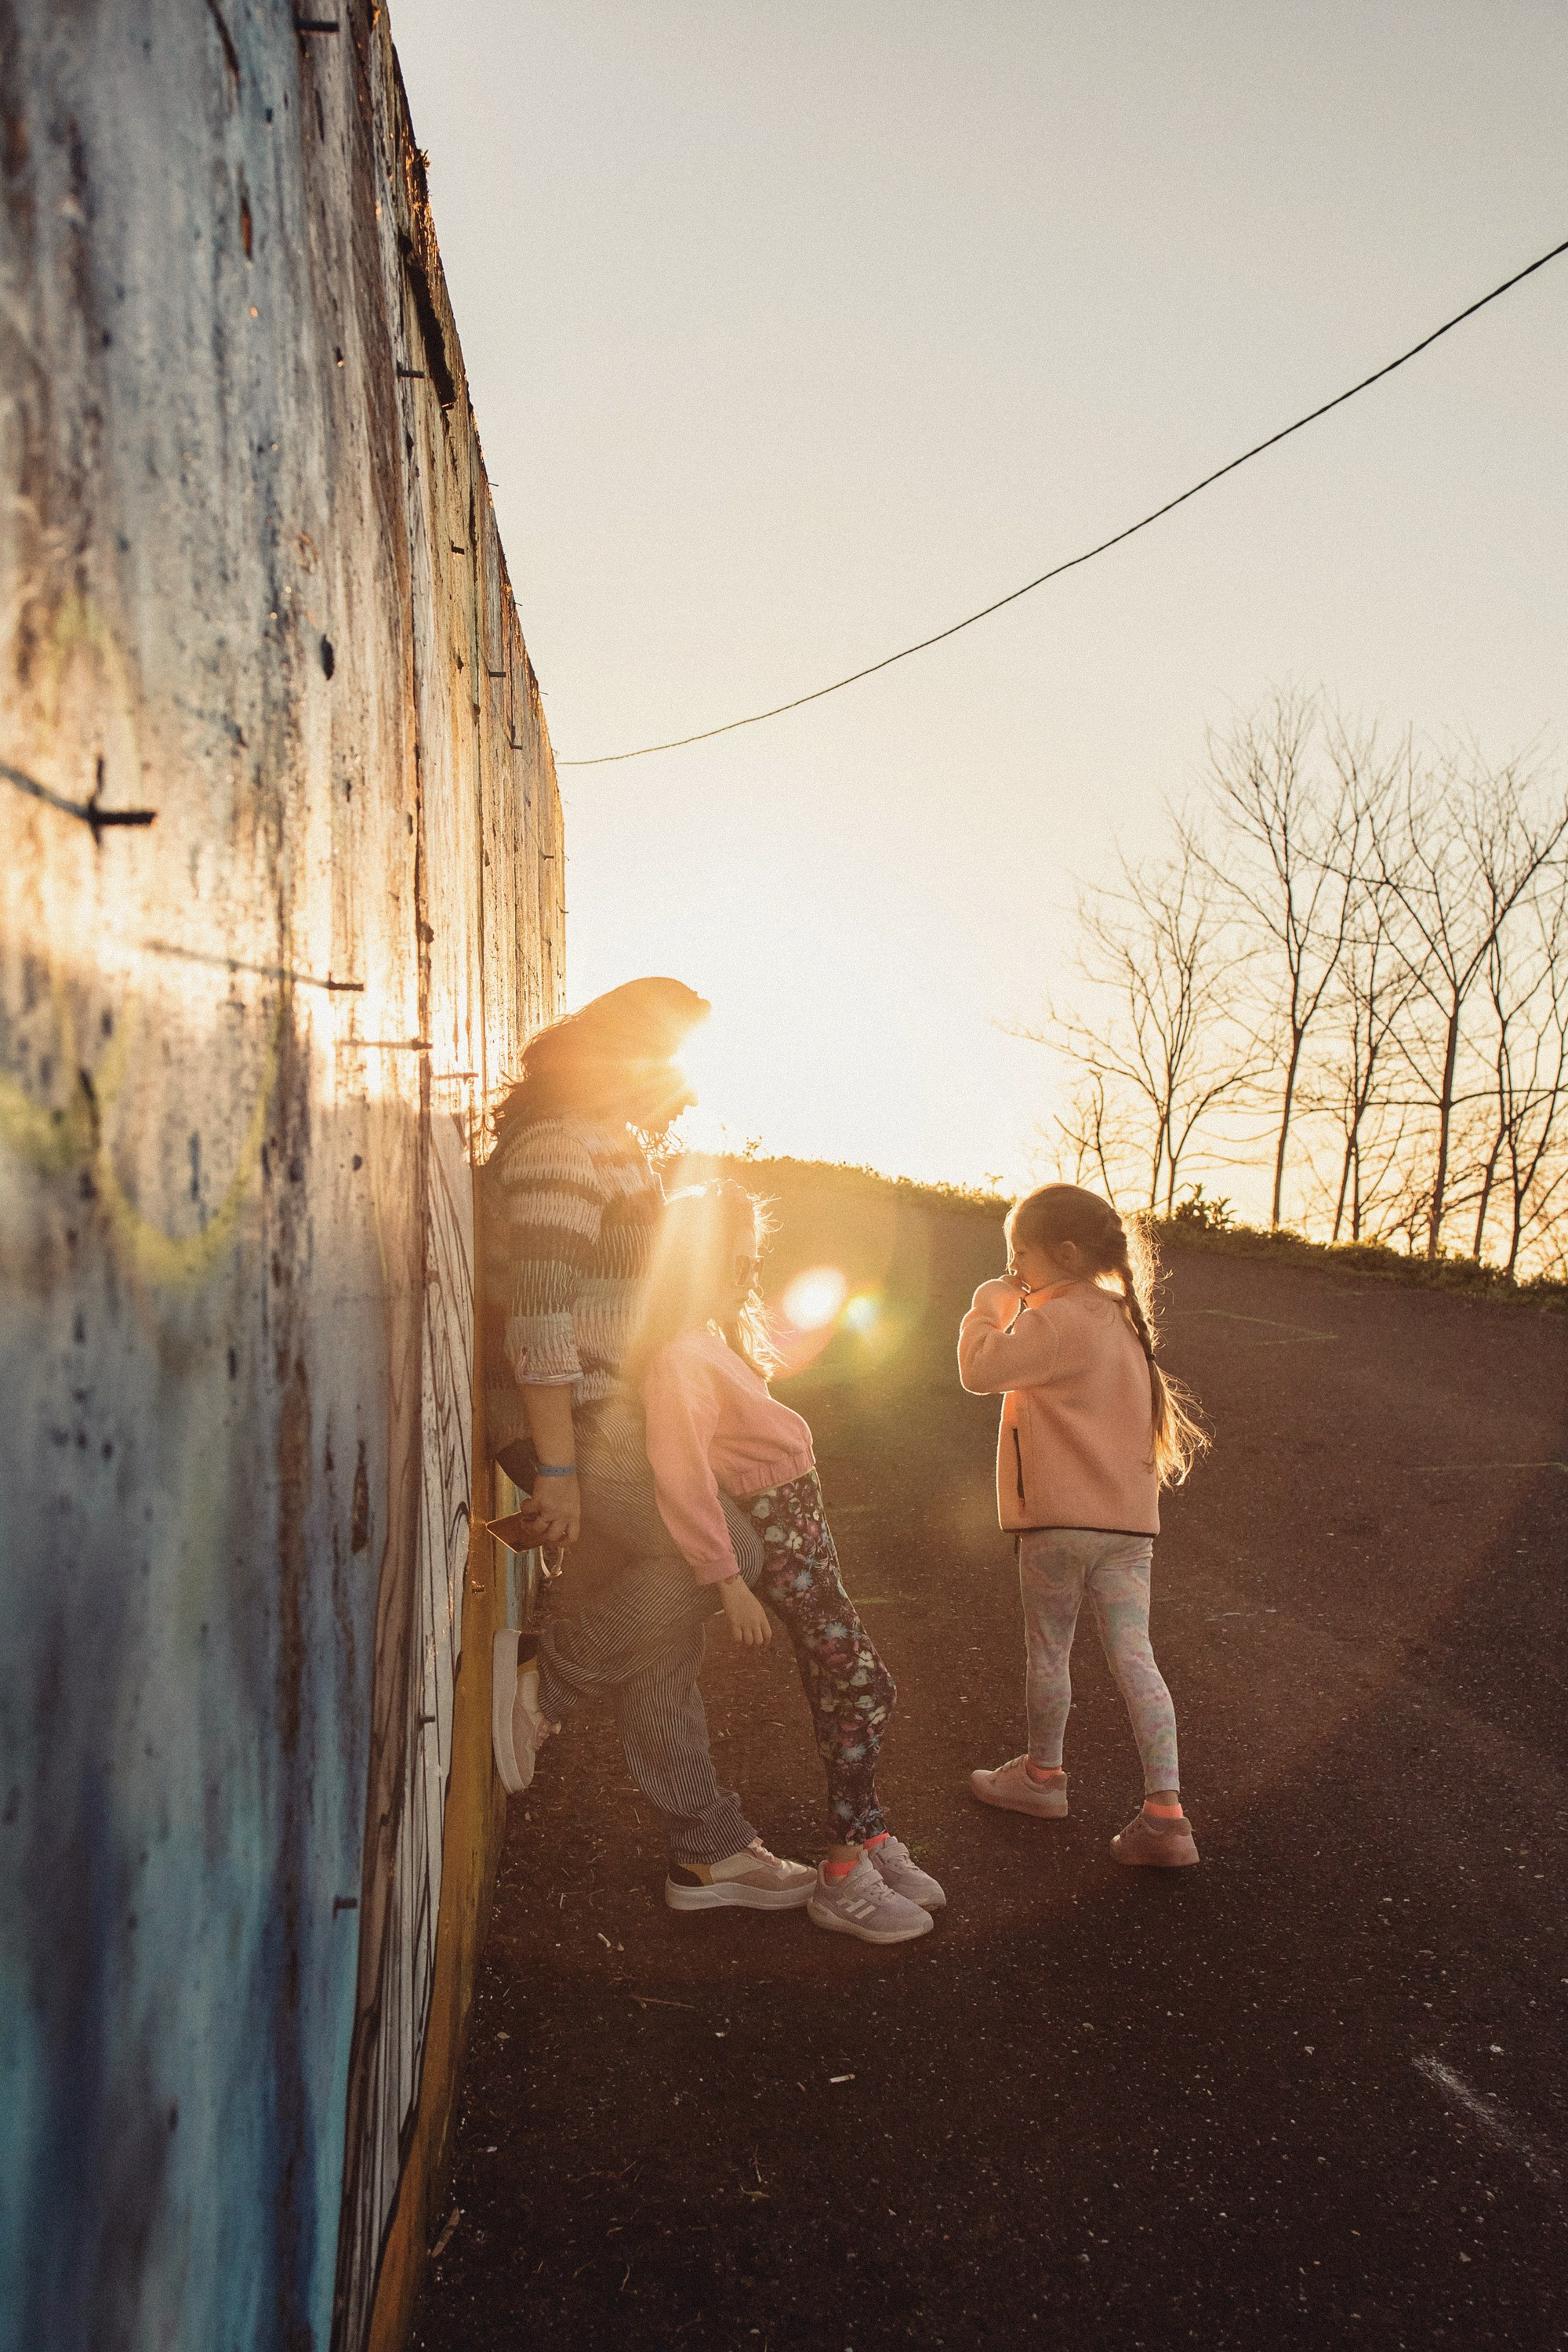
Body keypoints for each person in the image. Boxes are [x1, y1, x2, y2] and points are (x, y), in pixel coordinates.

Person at [481, 979, 815, 1915]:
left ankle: (707, 1854)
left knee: (665, 1635)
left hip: (609, 1417)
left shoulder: (614, 1147)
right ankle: (550, 1681)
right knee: (727, 1554)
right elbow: (540, 1322)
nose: (689, 1092)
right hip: (572, 1425)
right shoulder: (559, 1146)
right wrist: (559, 1470)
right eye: (677, 1065)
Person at [628, 1179, 944, 1945]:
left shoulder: (714, 1343)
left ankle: (864, 1835)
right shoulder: (677, 1359)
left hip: (806, 1544)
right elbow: (683, 1477)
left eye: (746, 1266)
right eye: (725, 1265)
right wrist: (728, 1580)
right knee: (861, 1682)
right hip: (782, 1550)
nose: (741, 1280)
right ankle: (843, 1872)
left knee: (845, 1682)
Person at [957, 1182, 1208, 1866]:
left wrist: (992, 1303)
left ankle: (1042, 1779)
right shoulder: (1125, 1322)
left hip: (1058, 1526)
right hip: (1128, 1532)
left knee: (1050, 1651)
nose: (1016, 1267)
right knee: (1137, 1659)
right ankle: (1167, 1814)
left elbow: (980, 1369)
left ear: (1063, 1254)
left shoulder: (1057, 1320)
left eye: (1021, 1255)